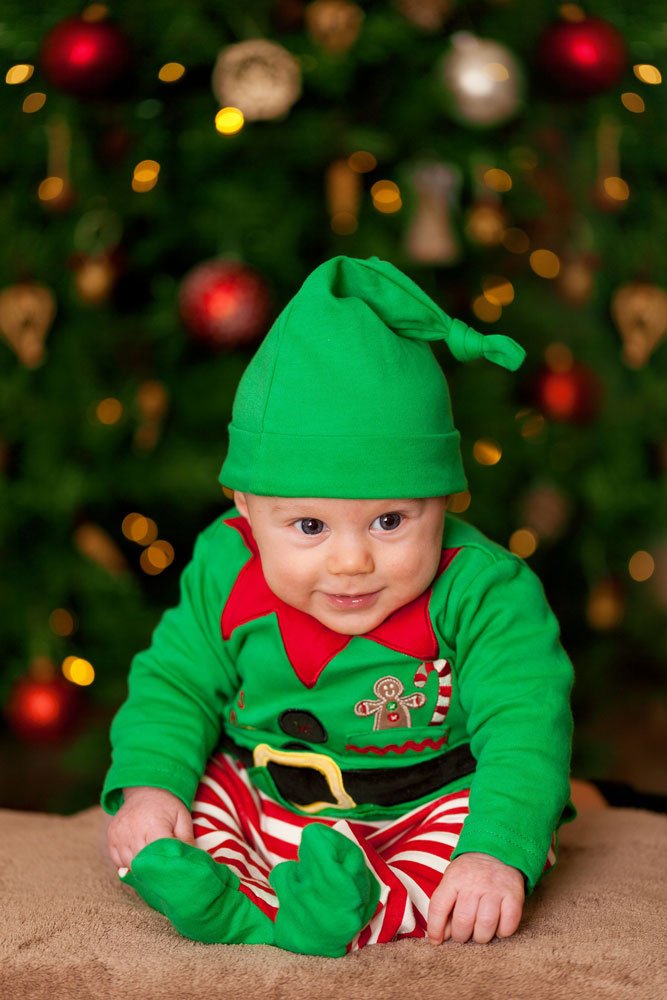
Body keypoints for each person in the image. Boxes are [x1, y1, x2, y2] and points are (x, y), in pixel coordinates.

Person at [101, 255, 576, 957]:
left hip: (423, 805)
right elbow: (175, 682)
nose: (351, 562)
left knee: (461, 861)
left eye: (390, 522)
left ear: (443, 502)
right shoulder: (225, 566)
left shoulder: (484, 590)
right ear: (246, 507)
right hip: (271, 789)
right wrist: (148, 788)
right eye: (309, 527)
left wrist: (494, 853)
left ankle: (347, 909)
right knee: (191, 802)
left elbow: (524, 724)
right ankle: (229, 899)